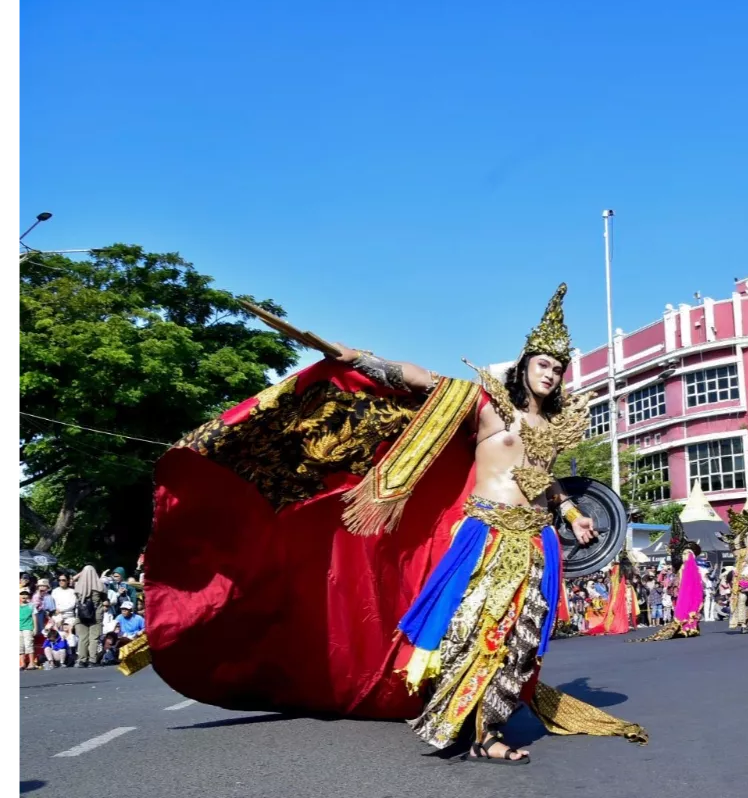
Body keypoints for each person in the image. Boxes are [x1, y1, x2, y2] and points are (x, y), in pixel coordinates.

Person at [142, 283, 645, 765]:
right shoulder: (489, 406)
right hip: (487, 535)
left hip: (534, 538)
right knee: (477, 628)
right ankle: (479, 731)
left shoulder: (551, 429)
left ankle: (487, 718)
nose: (551, 374)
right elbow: (419, 378)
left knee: (521, 636)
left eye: (558, 368)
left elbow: (541, 481)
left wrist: (575, 514)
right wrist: (357, 358)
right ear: (525, 365)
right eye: (543, 363)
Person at [632, 527, 704, 642]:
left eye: (686, 553)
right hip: (682, 593)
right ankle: (686, 627)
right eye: (684, 553)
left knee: (691, 610)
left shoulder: (691, 568)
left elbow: (695, 585)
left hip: (690, 594)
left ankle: (689, 628)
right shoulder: (683, 568)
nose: (684, 555)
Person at [72, 565, 107, 668]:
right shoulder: (100, 585)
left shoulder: (78, 586)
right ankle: (92, 660)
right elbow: (105, 598)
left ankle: (82, 660)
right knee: (94, 637)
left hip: (82, 614)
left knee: (83, 637)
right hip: (96, 614)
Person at [17, 588, 35, 671]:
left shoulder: (31, 605)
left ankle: (31, 663)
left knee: (29, 645)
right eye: (22, 594)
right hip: (18, 628)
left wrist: (35, 628)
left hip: (28, 627)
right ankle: (22, 663)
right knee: (20, 646)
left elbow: (34, 617)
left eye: (26, 594)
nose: (24, 596)